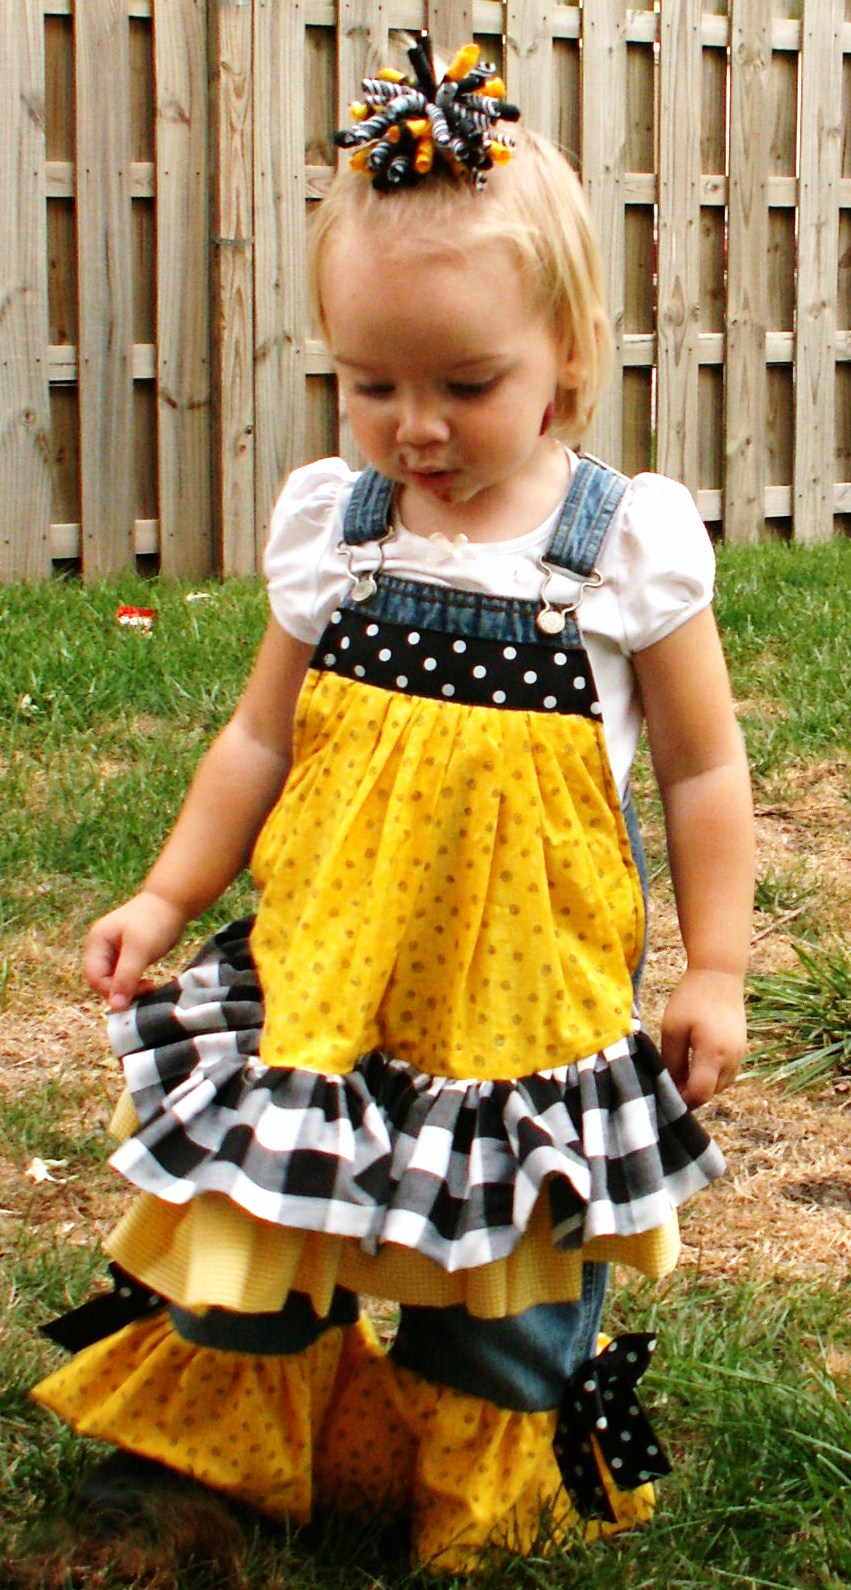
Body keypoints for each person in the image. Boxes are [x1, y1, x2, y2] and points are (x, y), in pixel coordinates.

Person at [33, 35, 754, 1575]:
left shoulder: (623, 545)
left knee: (502, 1274)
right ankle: (194, 1484)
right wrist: (165, 892)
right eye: (371, 384)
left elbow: (705, 768)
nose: (414, 425)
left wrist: (718, 966)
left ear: (569, 354)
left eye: (464, 385)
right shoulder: (337, 526)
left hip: (518, 1002)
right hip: (325, 973)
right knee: (259, 1225)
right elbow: (256, 738)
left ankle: (461, 1497)